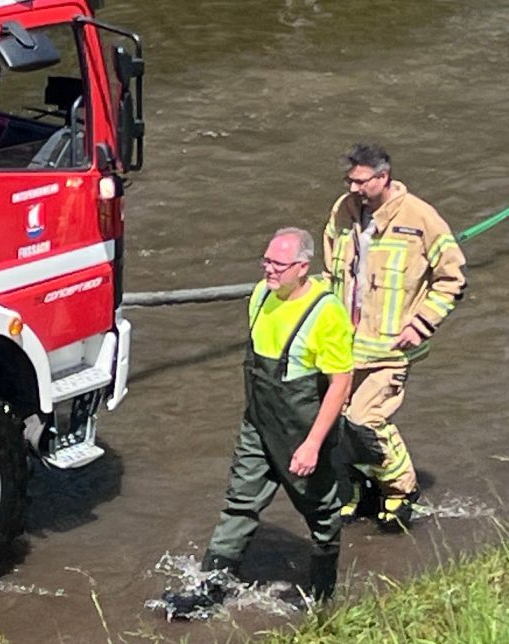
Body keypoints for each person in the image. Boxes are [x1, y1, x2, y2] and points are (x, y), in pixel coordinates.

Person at [162, 226, 354, 619]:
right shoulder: (260, 295)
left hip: (303, 429)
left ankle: (322, 597)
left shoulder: (325, 312)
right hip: (259, 422)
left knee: (320, 511)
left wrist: (313, 444)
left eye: (278, 264)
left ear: (302, 267)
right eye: (265, 260)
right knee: (239, 502)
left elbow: (340, 385)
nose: (268, 270)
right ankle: (208, 593)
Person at [324, 144, 466, 530]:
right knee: (334, 423)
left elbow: (453, 278)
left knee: (364, 421)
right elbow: (331, 270)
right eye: (348, 180)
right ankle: (358, 489)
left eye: (360, 181)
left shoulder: (421, 218)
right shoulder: (343, 211)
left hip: (389, 349)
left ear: (383, 177)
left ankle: (401, 490)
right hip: (341, 347)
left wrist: (420, 324)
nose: (352, 188)